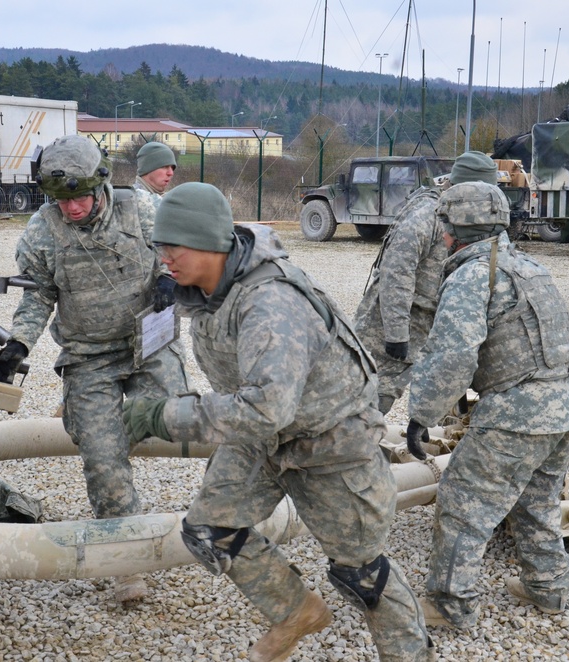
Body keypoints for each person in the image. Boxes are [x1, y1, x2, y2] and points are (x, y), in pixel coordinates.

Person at [122, 182, 435, 662]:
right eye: (159, 246)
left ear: (210, 242)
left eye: (173, 246)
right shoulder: (207, 287)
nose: (164, 257)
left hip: (331, 442)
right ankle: (296, 612)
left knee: (362, 574)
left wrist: (164, 417)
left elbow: (266, 407)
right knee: (211, 529)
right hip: (264, 439)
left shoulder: (270, 303)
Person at [0, 134, 188, 605]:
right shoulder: (41, 232)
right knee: (102, 459)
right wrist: (17, 346)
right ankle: (128, 568)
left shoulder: (140, 210)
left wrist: (165, 278)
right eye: (60, 199)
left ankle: (89, 418)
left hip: (147, 344)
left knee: (179, 418)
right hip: (89, 356)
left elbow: (172, 252)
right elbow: (37, 296)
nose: (71, 208)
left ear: (99, 185)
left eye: (78, 197)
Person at [404, 178, 569, 629]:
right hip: (559, 409)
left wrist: (421, 414)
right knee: (535, 501)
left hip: (513, 415)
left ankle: (449, 604)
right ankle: (549, 589)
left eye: (444, 225)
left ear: (454, 230)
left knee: (463, 503)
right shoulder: (529, 267)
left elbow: (452, 356)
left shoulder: (471, 276)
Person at [353, 150, 500, 415]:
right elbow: (396, 270)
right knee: (373, 391)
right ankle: (348, 447)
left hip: (428, 319)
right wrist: (396, 333)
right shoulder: (428, 214)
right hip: (397, 320)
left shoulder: (463, 215)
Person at [133, 141, 177, 237]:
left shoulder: (167, 199)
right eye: (165, 166)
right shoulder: (133, 201)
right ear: (148, 168)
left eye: (172, 168)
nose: (171, 173)